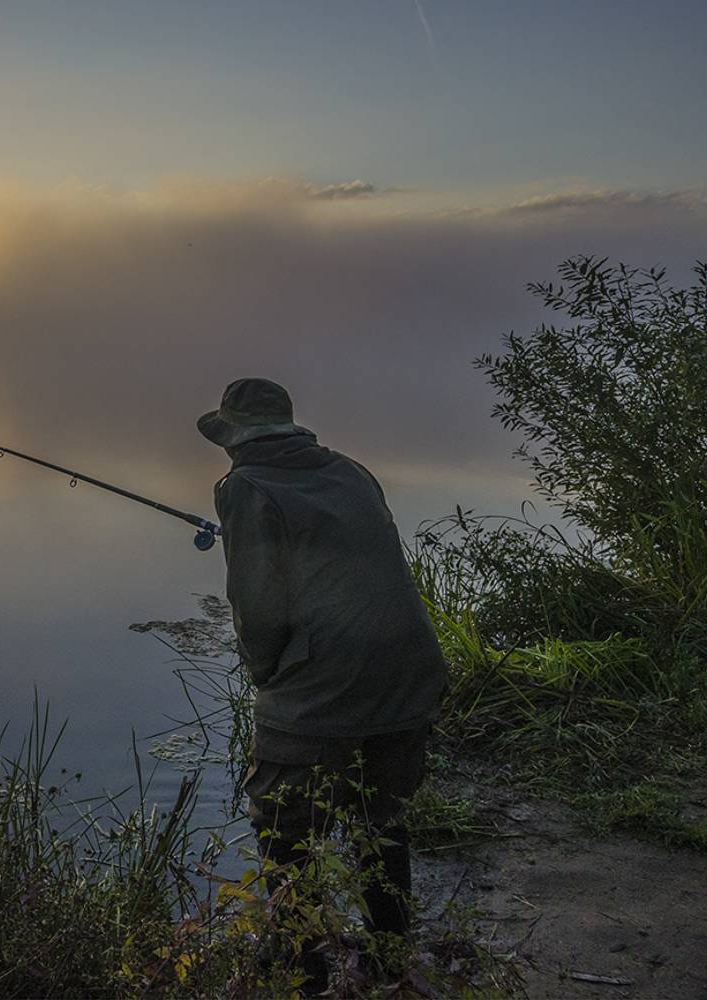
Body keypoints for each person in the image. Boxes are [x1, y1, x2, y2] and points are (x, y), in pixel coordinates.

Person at [199, 377, 448, 986]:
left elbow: (258, 608)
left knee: (284, 825)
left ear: (236, 438)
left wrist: (269, 680)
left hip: (323, 688)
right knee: (382, 818)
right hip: (408, 672)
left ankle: (298, 964)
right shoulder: (353, 472)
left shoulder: (244, 486)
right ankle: (389, 952)